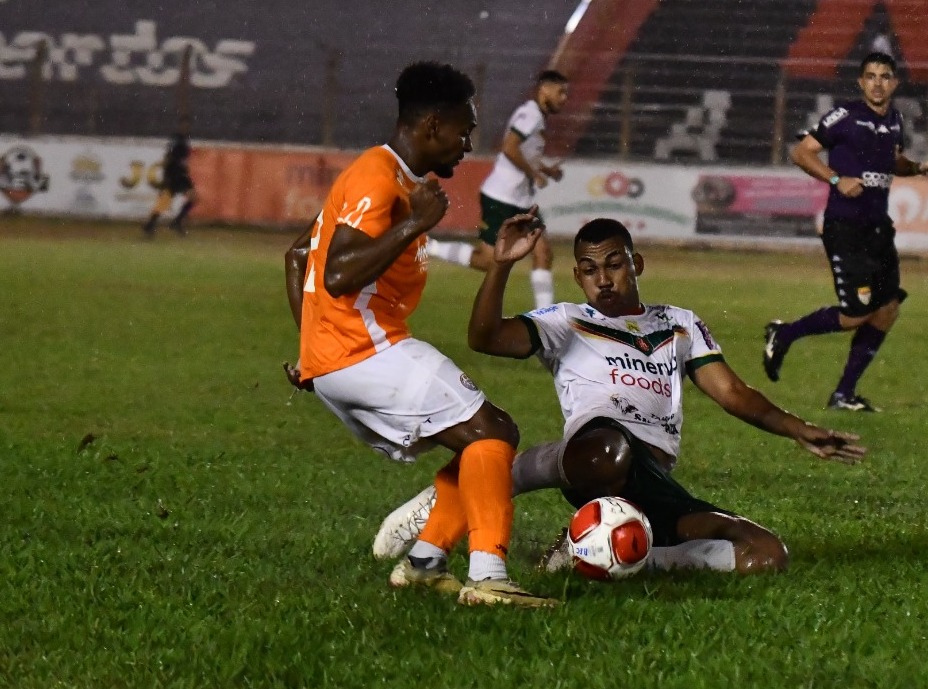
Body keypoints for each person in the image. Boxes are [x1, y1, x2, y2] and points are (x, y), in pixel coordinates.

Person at [374, 216, 866, 576]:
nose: (603, 279)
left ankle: (601, 552)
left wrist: (800, 428)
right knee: (610, 449)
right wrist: (500, 268)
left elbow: (734, 393)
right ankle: (491, 479)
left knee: (764, 554)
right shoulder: (566, 321)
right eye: (589, 269)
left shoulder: (678, 323)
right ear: (577, 277)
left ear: (638, 264)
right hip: (596, 458)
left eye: (614, 265)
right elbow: (485, 337)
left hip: (651, 483)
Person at [282, 61, 555, 608]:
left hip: (343, 354)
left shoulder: (395, 177)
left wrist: (312, 353)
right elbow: (334, 273)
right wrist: (413, 225)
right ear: (431, 126)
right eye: (464, 130)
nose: (468, 145)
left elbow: (297, 257)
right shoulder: (376, 178)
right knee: (492, 431)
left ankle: (427, 563)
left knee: (483, 435)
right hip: (364, 348)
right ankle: (488, 576)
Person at [762, 52, 928, 412]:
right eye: (870, 76)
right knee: (856, 314)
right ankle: (786, 333)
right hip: (846, 227)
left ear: (894, 83)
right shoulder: (844, 116)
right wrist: (837, 180)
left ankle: (843, 394)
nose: (877, 82)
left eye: (885, 76)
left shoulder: (895, 120)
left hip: (878, 229)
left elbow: (894, 162)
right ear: (861, 82)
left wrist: (918, 167)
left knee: (887, 308)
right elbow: (801, 152)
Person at [426, 70, 570, 309]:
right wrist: (534, 173)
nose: (564, 98)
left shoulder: (537, 116)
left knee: (543, 253)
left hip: (522, 200)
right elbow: (510, 148)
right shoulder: (531, 115)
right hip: (501, 198)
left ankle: (546, 314)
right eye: (560, 91)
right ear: (544, 89)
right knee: (488, 262)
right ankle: (431, 247)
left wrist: (545, 170)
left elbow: (523, 153)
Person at [143, 126, 197, 237]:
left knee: (189, 198)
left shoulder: (179, 144)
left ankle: (158, 223)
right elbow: (170, 161)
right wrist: (168, 177)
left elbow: (170, 160)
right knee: (166, 201)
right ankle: (157, 224)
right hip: (176, 176)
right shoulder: (179, 144)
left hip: (179, 176)